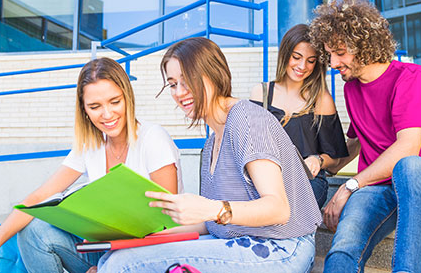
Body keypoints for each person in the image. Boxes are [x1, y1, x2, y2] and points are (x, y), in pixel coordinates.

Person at [98, 37, 321, 273]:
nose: (180, 92)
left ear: (214, 74)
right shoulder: (213, 140)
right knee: (118, 256)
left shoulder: (247, 119)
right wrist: (144, 235)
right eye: (173, 84)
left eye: (188, 80)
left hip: (281, 247)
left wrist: (211, 208)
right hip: (239, 242)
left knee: (126, 265)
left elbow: (278, 208)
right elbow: (211, 222)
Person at [0, 57, 182, 273]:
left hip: (151, 254)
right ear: (84, 109)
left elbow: (166, 224)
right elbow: (38, 198)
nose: (107, 115)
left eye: (115, 102)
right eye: (95, 106)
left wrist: (109, 264)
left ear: (128, 97)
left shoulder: (153, 138)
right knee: (33, 230)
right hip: (106, 249)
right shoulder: (91, 144)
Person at [308, 0, 421, 273]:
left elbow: (408, 149)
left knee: (409, 166)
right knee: (344, 248)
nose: (332, 63)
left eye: (340, 53)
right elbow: (355, 144)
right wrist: (321, 163)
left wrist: (350, 185)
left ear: (363, 44)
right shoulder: (351, 89)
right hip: (381, 189)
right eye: (329, 54)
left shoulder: (412, 78)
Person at [249, 23, 349, 208]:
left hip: (307, 182)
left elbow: (336, 158)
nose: (302, 66)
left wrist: (318, 159)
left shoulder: (321, 100)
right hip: (266, 179)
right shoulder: (261, 94)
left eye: (311, 61)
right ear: (285, 54)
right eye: (296, 57)